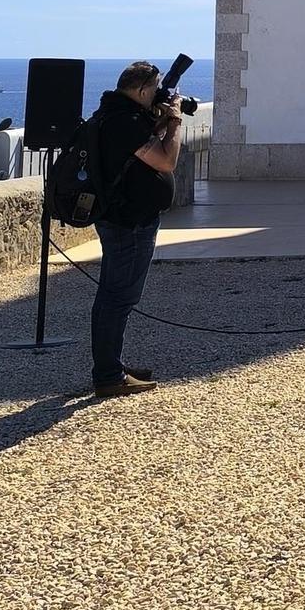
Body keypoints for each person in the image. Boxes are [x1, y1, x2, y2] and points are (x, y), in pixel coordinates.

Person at [90, 61, 184, 398]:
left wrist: (157, 124)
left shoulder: (112, 115)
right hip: (129, 222)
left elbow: (137, 154)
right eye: (155, 89)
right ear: (144, 90)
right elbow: (166, 161)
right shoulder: (125, 122)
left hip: (121, 218)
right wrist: (173, 122)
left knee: (112, 295)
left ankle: (110, 366)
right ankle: (108, 375)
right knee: (119, 296)